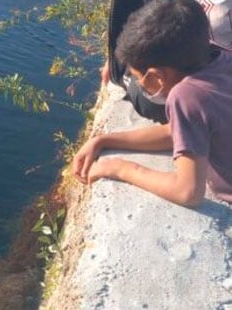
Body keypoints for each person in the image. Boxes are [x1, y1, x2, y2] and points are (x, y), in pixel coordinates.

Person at [73, 0, 232, 206]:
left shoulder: (186, 96)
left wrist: (120, 168)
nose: (140, 85)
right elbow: (178, 133)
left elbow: (188, 192)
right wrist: (104, 140)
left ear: (156, 78)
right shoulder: (220, 58)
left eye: (139, 80)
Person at [102, 0, 232, 123]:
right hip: (199, 53)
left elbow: (190, 124)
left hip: (196, 70)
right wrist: (126, 47)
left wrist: (103, 141)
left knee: (144, 98)